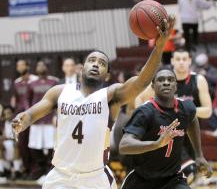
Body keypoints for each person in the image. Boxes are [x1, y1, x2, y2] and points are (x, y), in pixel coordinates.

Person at [11, 16, 175, 189]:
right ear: (81, 69)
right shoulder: (59, 92)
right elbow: (31, 114)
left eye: (102, 63)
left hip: (95, 178)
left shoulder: (111, 95)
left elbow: (141, 82)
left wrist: (159, 47)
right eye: (91, 60)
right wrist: (22, 120)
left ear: (107, 75)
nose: (96, 64)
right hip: (60, 176)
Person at [119, 69, 212, 189]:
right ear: (153, 86)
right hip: (142, 178)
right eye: (161, 80)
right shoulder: (144, 112)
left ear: (176, 86)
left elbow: (193, 118)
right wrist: (156, 144)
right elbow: (124, 146)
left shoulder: (187, 108)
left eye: (170, 79)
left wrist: (199, 155)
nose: (166, 82)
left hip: (172, 178)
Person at [135, 49, 212, 184]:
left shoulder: (198, 80)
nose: (181, 62)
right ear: (172, 61)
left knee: (190, 175)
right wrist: (143, 117)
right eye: (178, 59)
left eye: (184, 59)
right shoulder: (164, 80)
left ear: (189, 61)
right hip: (169, 135)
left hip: (191, 134)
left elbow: (208, 111)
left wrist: (184, 110)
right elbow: (140, 98)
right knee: (185, 173)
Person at [28, 61, 59, 180]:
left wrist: (56, 115)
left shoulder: (53, 81)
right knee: (35, 147)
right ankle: (39, 170)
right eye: (38, 65)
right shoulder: (32, 84)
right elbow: (29, 101)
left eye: (43, 65)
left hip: (50, 120)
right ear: (35, 69)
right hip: (36, 120)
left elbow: (57, 101)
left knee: (52, 146)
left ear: (47, 67)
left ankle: (49, 170)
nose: (41, 67)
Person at [11, 59, 38, 177]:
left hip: (33, 116)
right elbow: (16, 100)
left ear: (27, 66)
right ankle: (26, 168)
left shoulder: (35, 80)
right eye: (18, 66)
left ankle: (36, 169)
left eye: (22, 65)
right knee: (22, 144)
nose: (20, 67)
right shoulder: (16, 82)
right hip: (20, 117)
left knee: (33, 143)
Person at [0, 106, 22, 180]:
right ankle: (2, 170)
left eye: (9, 113)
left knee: (15, 145)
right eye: (5, 114)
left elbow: (17, 137)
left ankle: (17, 171)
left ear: (13, 113)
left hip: (14, 143)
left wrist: (7, 138)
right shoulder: (3, 123)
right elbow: (3, 136)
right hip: (6, 144)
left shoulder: (16, 122)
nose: (7, 115)